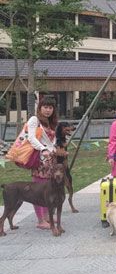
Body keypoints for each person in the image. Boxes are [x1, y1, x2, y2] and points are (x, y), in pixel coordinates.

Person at [26, 96, 58, 230]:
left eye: (50, 107)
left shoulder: (51, 122)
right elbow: (31, 137)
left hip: (51, 161)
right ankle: (40, 220)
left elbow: (53, 141)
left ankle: (46, 216)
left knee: (48, 189)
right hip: (39, 161)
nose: (48, 110)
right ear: (40, 107)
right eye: (45, 107)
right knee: (38, 190)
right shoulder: (34, 120)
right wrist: (43, 149)